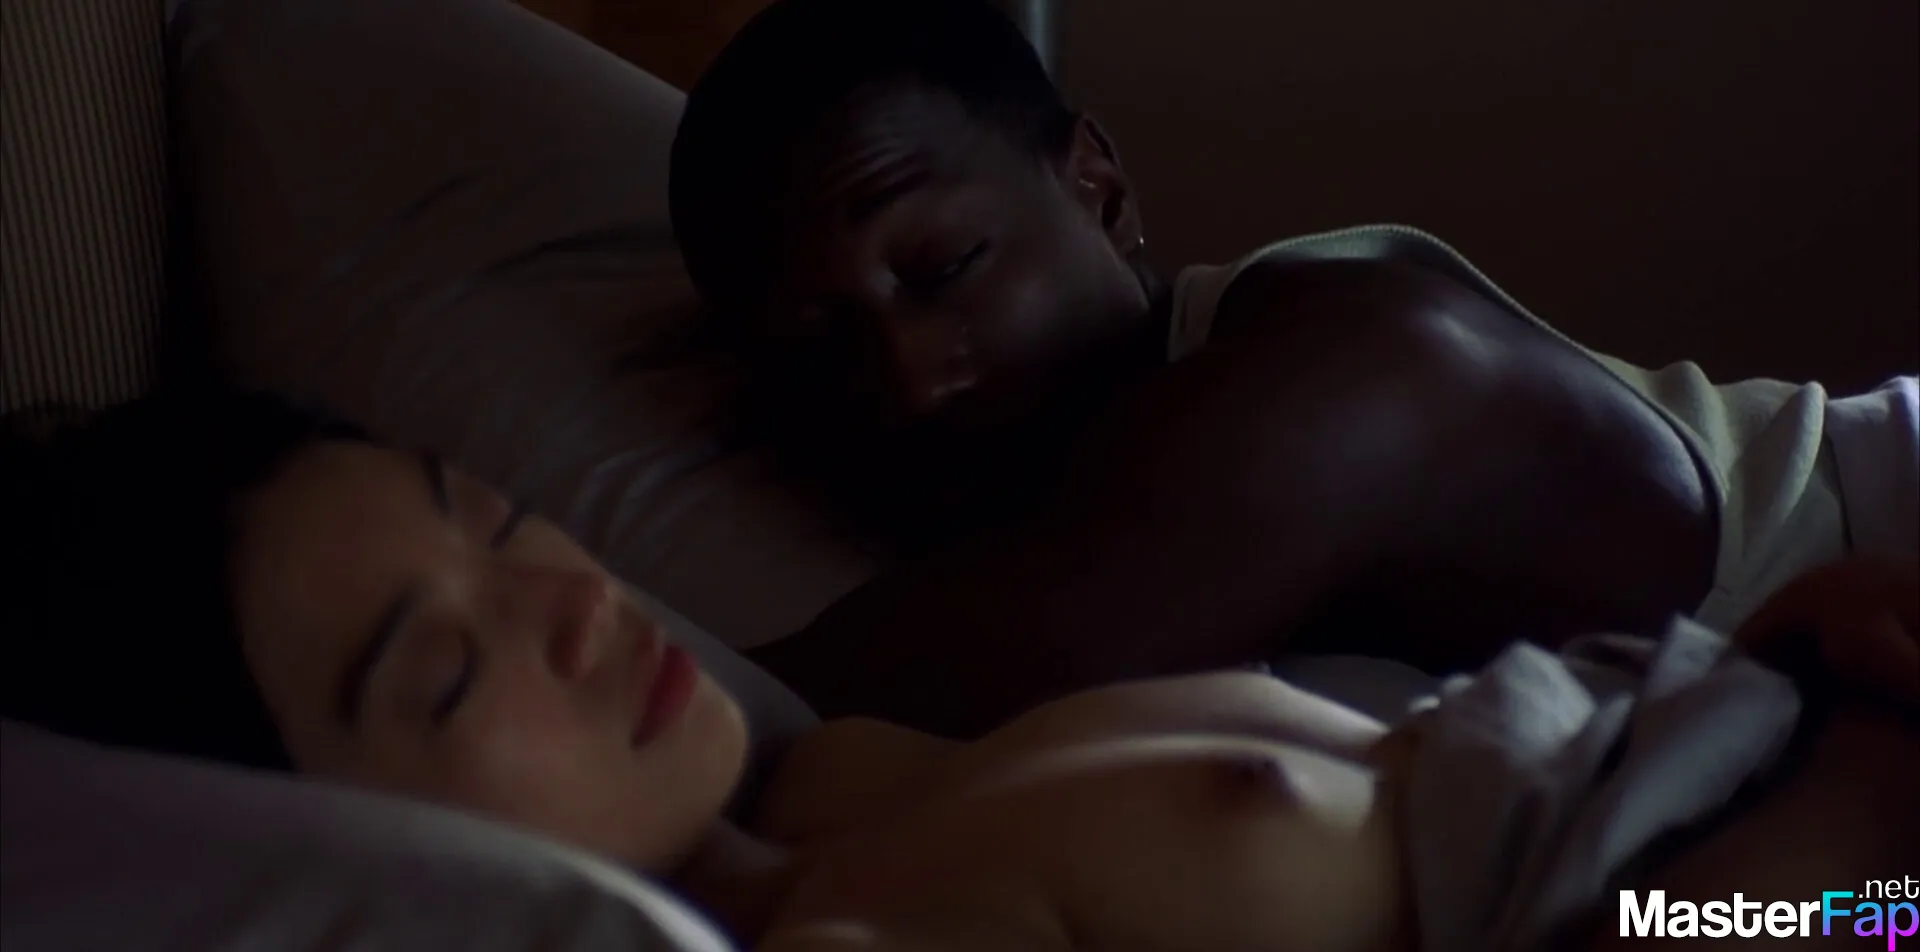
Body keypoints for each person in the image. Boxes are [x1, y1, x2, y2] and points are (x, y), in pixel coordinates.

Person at [2, 389, 1915, 952]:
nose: (572, 603)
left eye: (502, 520)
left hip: (1732, 741)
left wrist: (1787, 663)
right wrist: (1841, 839)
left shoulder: (851, 772)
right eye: (442, 672)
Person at [667, 0, 1920, 736]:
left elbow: (931, 670)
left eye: (944, 269)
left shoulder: (1351, 366)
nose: (907, 379)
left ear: (1097, 183)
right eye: (819, 345)